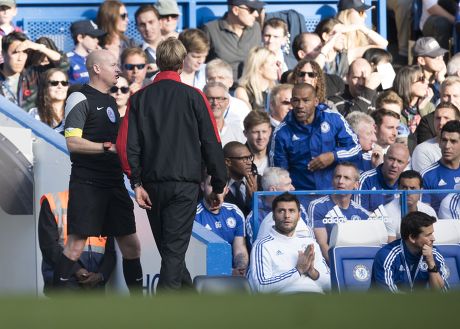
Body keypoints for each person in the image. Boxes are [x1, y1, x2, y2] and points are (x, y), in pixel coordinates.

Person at [117, 38, 227, 291]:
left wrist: (135, 183)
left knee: (171, 253)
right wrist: (219, 183)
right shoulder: (194, 96)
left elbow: (125, 145)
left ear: (157, 61)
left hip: (152, 186)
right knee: (173, 255)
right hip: (184, 186)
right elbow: (212, 141)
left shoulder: (139, 98)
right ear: (181, 63)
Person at [53, 50, 143, 294]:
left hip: (114, 183)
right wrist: (106, 147)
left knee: (132, 247)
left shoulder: (111, 100)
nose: (118, 70)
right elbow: (72, 142)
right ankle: (54, 298)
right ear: (96, 69)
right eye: (113, 65)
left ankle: (142, 309)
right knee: (75, 246)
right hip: (88, 184)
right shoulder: (79, 97)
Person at [270, 83, 361, 190]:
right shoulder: (282, 132)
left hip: (332, 194)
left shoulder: (333, 119)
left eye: (306, 100)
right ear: (291, 102)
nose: (300, 105)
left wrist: (333, 156)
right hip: (300, 195)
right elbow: (278, 173)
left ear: (316, 102)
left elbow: (356, 148)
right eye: (296, 100)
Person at [248, 192, 331, 294]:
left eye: (291, 211)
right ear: (273, 215)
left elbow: (332, 285)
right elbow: (261, 287)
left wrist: (313, 273)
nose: (287, 216)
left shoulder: (310, 243)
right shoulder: (262, 245)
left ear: (299, 215)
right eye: (281, 211)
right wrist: (298, 271)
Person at [38, 191, 115, 295]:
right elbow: (49, 246)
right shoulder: (53, 202)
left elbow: (110, 252)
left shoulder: (103, 206)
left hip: (94, 288)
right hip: (63, 287)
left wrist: (100, 276)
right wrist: (77, 270)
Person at [371, 211, 448, 292]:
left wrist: (431, 264)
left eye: (432, 233)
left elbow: (443, 294)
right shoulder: (386, 256)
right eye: (428, 235)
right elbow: (389, 297)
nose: (433, 238)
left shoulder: (434, 254)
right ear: (412, 238)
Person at [309, 162, 370, 263]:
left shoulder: (362, 213)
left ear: (356, 184)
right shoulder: (317, 206)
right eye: (338, 177)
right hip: (327, 265)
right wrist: (339, 269)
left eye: (346, 178)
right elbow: (322, 244)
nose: (341, 181)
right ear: (332, 180)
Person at [195, 172, 248, 276]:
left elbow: (240, 248)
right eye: (211, 184)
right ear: (202, 186)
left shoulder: (235, 212)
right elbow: (197, 256)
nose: (216, 190)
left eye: (220, 185)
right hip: (205, 275)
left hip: (233, 275)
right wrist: (228, 272)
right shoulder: (194, 215)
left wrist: (240, 268)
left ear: (227, 190)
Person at [203, 0, 264, 81]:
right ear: (235, 10)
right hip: (221, 90)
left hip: (250, 88)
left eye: (258, 9)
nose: (256, 14)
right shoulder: (211, 30)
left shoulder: (256, 28)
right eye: (252, 10)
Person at [0, 31, 62, 111]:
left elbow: (63, 64)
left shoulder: (33, 75)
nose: (20, 58)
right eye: (15, 53)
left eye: (25, 52)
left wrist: (40, 47)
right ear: (3, 53)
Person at [383, 170, 437, 242]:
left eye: (413, 188)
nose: (408, 192)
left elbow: (433, 239)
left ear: (421, 190)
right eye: (404, 188)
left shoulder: (429, 211)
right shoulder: (387, 212)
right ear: (398, 189)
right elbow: (390, 244)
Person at [356, 143, 410, 212]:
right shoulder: (365, 180)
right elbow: (358, 215)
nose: (394, 165)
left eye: (400, 162)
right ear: (384, 158)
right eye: (391, 159)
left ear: (406, 164)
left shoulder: (407, 183)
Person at [421, 120, 460, 213]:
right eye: (444, 140)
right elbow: (423, 216)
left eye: (453, 141)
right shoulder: (426, 175)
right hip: (440, 226)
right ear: (439, 143)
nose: (447, 146)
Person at [412, 102, 460, 172]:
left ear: (457, 121)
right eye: (438, 118)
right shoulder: (423, 150)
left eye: (446, 118)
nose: (441, 122)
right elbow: (427, 181)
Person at [205, 58, 250, 127]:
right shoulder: (200, 106)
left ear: (231, 82)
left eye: (221, 78)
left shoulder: (241, 108)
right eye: (211, 78)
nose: (216, 82)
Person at [392, 65, 434, 134]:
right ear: (407, 84)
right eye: (421, 79)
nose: (427, 82)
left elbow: (433, 133)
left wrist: (422, 109)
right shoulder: (394, 106)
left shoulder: (428, 106)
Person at [235, 46, 278, 111]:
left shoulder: (276, 90)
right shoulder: (243, 92)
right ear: (259, 68)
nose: (277, 68)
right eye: (272, 65)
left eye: (276, 64)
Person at [223, 141, 260, 216]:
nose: (249, 162)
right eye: (244, 159)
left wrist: (255, 197)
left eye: (250, 157)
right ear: (228, 162)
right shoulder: (217, 184)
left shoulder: (259, 181)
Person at [203, 82, 246, 146]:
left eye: (220, 99)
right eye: (210, 99)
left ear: (227, 102)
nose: (215, 103)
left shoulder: (237, 132)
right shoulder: (195, 132)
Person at [28, 68, 69, 133]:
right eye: (54, 83)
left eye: (64, 83)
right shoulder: (35, 114)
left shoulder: (75, 113)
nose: (60, 86)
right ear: (45, 87)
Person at [67, 20, 106, 85]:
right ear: (80, 38)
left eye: (97, 37)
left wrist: (101, 57)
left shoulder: (97, 58)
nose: (97, 40)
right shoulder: (67, 59)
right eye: (93, 36)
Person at [413, 37, 448, 104]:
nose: (441, 59)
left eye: (441, 55)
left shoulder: (442, 77)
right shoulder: (414, 84)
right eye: (435, 56)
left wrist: (442, 80)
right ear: (421, 60)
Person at [135, 4, 162, 78]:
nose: (147, 28)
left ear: (160, 22)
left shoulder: (176, 47)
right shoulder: (134, 55)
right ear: (137, 28)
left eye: (151, 22)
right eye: (142, 24)